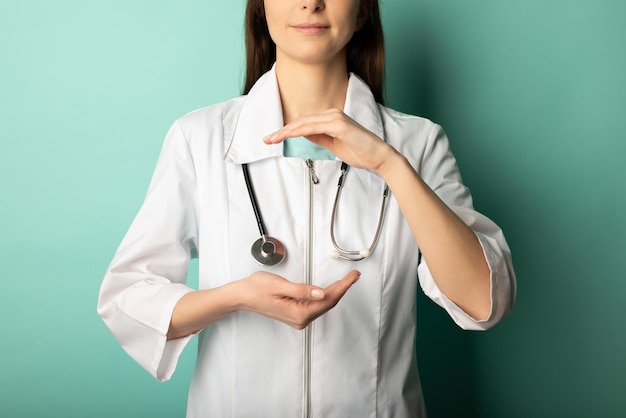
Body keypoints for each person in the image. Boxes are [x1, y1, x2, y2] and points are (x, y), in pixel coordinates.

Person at [98, 0, 516, 416]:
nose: (310, 3)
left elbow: (485, 302)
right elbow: (127, 295)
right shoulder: (200, 138)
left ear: (364, 10)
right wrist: (236, 297)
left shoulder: (418, 144)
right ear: (261, 8)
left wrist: (390, 164)